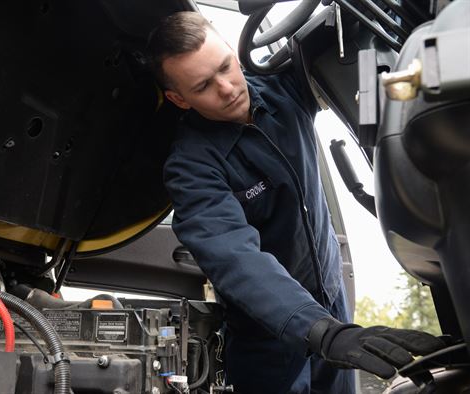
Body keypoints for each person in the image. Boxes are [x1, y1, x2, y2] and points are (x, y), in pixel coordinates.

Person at [146, 11, 445, 394]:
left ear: (230, 49)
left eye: (225, 66)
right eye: (204, 85)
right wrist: (320, 331)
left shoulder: (280, 89)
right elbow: (236, 258)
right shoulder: (191, 167)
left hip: (334, 309)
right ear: (178, 98)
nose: (227, 88)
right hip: (269, 336)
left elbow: (333, 35)